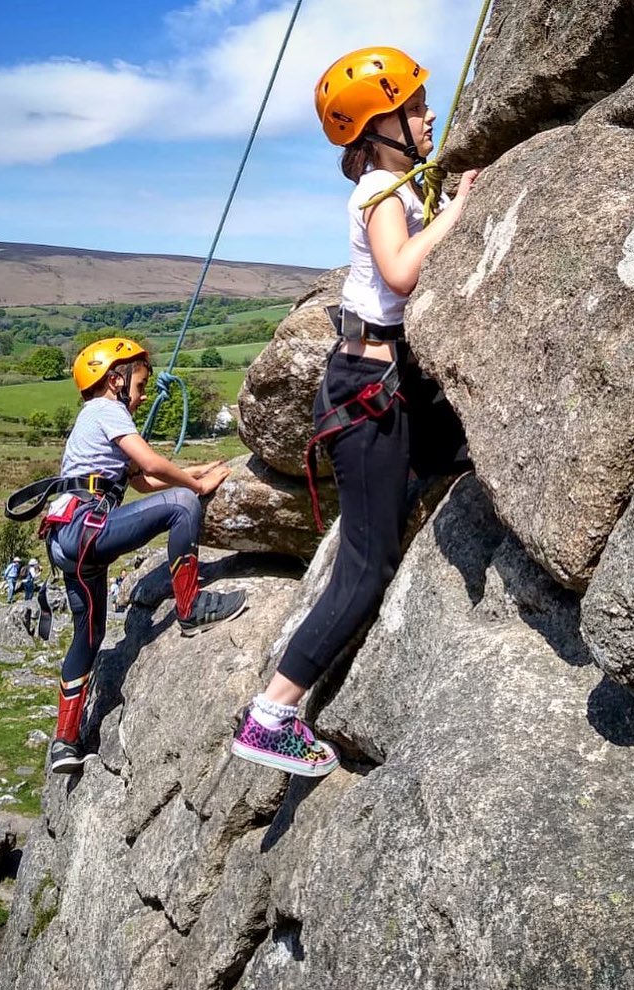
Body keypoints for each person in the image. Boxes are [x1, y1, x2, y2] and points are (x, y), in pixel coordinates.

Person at [231, 47, 478, 777]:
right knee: (365, 570)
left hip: (381, 381)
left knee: (442, 456)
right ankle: (271, 715)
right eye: (415, 107)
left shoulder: (391, 180)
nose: (429, 115)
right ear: (380, 127)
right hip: (366, 393)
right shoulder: (379, 188)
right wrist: (459, 213)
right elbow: (401, 273)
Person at [42, 337, 247, 773]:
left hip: (68, 540)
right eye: (139, 382)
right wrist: (194, 488)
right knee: (183, 505)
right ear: (114, 380)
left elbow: (139, 481)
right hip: (86, 530)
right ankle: (191, 609)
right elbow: (153, 469)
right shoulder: (107, 410)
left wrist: (192, 471)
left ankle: (64, 741)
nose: (143, 392)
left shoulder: (93, 418)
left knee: (89, 635)